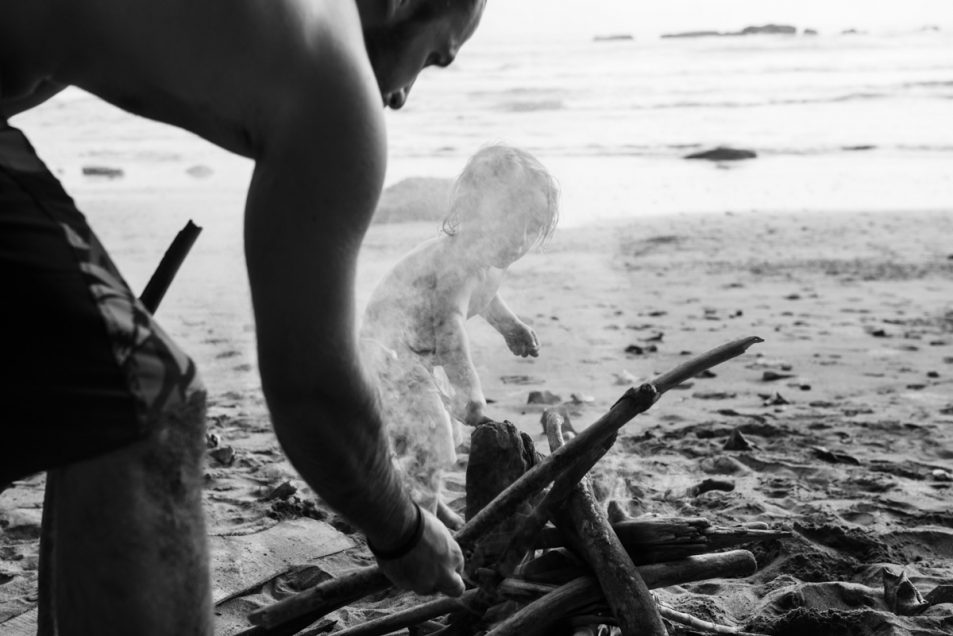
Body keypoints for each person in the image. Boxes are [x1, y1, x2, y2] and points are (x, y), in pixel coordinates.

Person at [0, 0, 486, 632]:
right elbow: (313, 391)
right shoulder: (335, 78)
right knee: (147, 401)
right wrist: (401, 530)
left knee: (90, 392)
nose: (403, 97)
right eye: (434, 57)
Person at [361, 144, 560, 526]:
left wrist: (510, 327)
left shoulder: (488, 260)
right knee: (431, 436)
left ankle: (429, 508)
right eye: (509, 221)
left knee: (436, 433)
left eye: (531, 227)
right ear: (473, 212)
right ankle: (419, 528)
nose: (519, 239)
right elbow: (449, 323)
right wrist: (468, 389)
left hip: (412, 356)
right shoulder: (458, 261)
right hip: (386, 353)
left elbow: (483, 297)